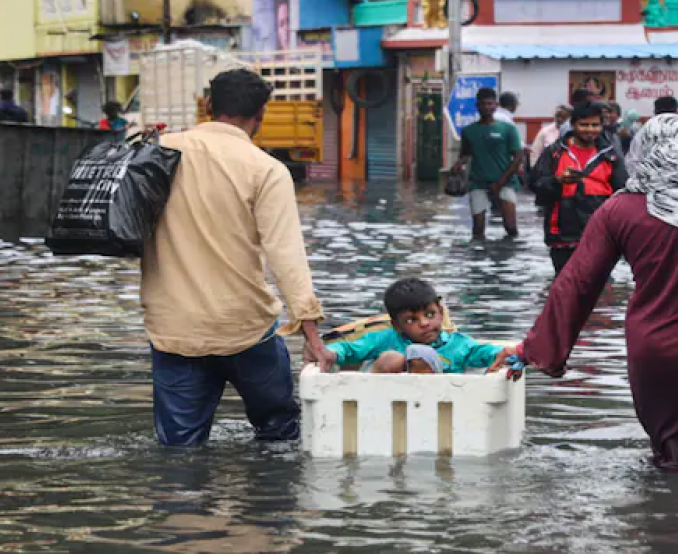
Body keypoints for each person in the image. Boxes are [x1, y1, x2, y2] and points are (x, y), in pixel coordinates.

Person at [492, 114, 678, 478]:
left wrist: (532, 350)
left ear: (640, 151)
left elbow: (576, 284)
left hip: (655, 349)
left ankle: (666, 525)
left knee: (672, 458)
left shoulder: (618, 208)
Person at [142, 68, 331, 447]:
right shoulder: (266, 170)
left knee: (179, 452)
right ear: (260, 114)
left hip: (175, 330)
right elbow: (287, 257)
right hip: (246, 328)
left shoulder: (157, 153)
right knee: (281, 437)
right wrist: (312, 336)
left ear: (208, 105)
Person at [321, 278, 502, 374]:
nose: (424, 323)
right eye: (411, 320)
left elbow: (489, 353)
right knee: (392, 358)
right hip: (383, 408)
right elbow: (349, 348)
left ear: (441, 311)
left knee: (421, 356)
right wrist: (331, 353)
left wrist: (513, 354)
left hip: (440, 410)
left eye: (430, 314)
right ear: (397, 325)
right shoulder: (384, 339)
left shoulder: (459, 345)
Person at [530, 102, 628, 274]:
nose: (590, 130)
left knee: (596, 288)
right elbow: (535, 185)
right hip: (562, 234)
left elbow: (623, 194)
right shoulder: (554, 153)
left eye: (595, 125)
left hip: (601, 233)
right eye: (584, 125)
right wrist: (558, 181)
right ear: (573, 125)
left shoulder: (611, 155)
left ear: (601, 125)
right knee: (565, 287)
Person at [452, 87, 525, 239]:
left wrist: (501, 181)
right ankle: (477, 258)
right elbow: (465, 154)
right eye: (483, 104)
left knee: (511, 228)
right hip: (478, 183)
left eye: (490, 104)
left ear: (496, 105)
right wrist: (459, 164)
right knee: (478, 230)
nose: (486, 107)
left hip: (506, 183)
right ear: (477, 106)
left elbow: (518, 157)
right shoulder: (468, 131)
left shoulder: (508, 129)